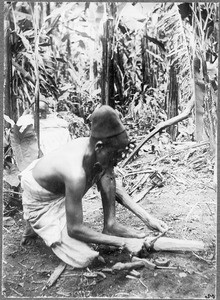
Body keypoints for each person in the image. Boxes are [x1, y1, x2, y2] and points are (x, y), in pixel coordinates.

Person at [20, 105, 168, 268]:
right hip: (40, 196)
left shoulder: (98, 152)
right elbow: (75, 229)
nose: (117, 160)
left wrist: (147, 218)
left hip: (64, 189)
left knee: (105, 170)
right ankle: (36, 224)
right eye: (115, 154)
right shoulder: (75, 173)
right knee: (86, 257)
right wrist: (124, 242)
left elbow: (114, 186)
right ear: (99, 147)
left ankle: (110, 226)